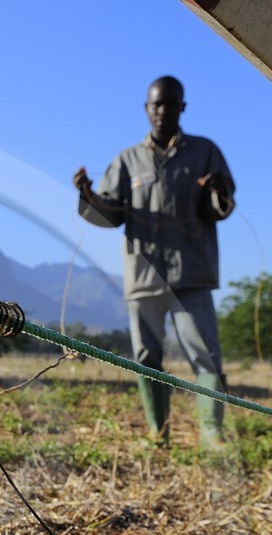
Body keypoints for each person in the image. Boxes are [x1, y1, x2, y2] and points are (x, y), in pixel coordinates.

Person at [74, 76, 235, 446]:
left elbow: (222, 207)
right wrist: (86, 194)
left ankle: (212, 432)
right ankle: (157, 432)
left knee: (205, 356)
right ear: (147, 109)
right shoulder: (127, 160)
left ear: (183, 107)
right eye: (156, 105)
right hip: (143, 276)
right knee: (147, 357)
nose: (162, 111)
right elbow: (109, 215)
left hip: (191, 274)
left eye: (170, 104)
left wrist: (217, 191)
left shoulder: (205, 152)